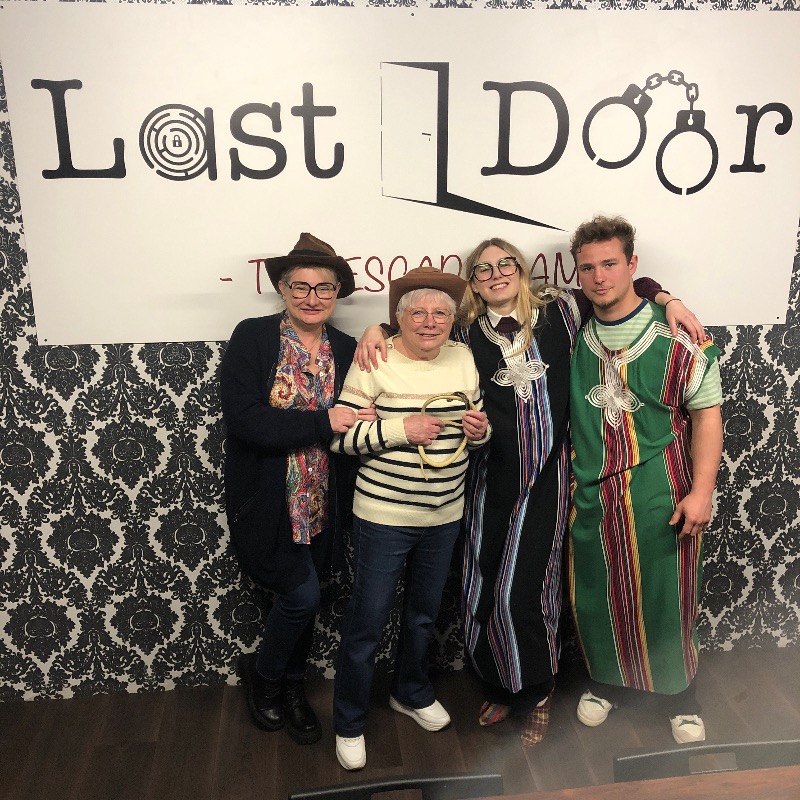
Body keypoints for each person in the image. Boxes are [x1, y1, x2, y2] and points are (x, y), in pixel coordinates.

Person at [355, 241, 704, 746]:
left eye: (505, 264)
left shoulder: (562, 310)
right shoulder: (464, 331)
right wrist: (377, 328)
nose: (496, 274)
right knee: (482, 586)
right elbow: (416, 326)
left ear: (521, 271)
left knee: (530, 588)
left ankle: (536, 690)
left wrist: (667, 298)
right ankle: (500, 685)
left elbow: (620, 288)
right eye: (483, 269)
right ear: (474, 283)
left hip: (548, 480)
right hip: (487, 479)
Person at [567, 215, 722, 744]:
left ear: (633, 264)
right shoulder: (571, 330)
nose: (599, 276)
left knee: (667, 598)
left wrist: (701, 492)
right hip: (592, 493)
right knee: (597, 596)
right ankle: (607, 684)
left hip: (661, 491)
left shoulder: (678, 336)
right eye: (588, 267)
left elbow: (706, 416)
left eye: (610, 263)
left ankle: (680, 698)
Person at [330, 266, 490, 771]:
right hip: (383, 515)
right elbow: (341, 438)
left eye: (440, 312)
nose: (429, 321)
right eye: (417, 312)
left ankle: (410, 691)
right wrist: (402, 430)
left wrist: (480, 431)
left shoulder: (463, 357)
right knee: (368, 622)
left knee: (423, 615)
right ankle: (349, 721)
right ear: (397, 319)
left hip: (445, 513)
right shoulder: (374, 358)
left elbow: (475, 429)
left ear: (452, 320)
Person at [220, 232, 367, 745]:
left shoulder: (346, 348)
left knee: (312, 590)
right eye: (300, 286)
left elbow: (362, 411)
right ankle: (264, 676)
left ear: (337, 293)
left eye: (324, 287)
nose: (312, 297)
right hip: (268, 498)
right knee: (300, 595)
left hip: (324, 497)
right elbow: (246, 420)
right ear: (282, 288)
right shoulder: (253, 337)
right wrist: (324, 420)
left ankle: (292, 686)